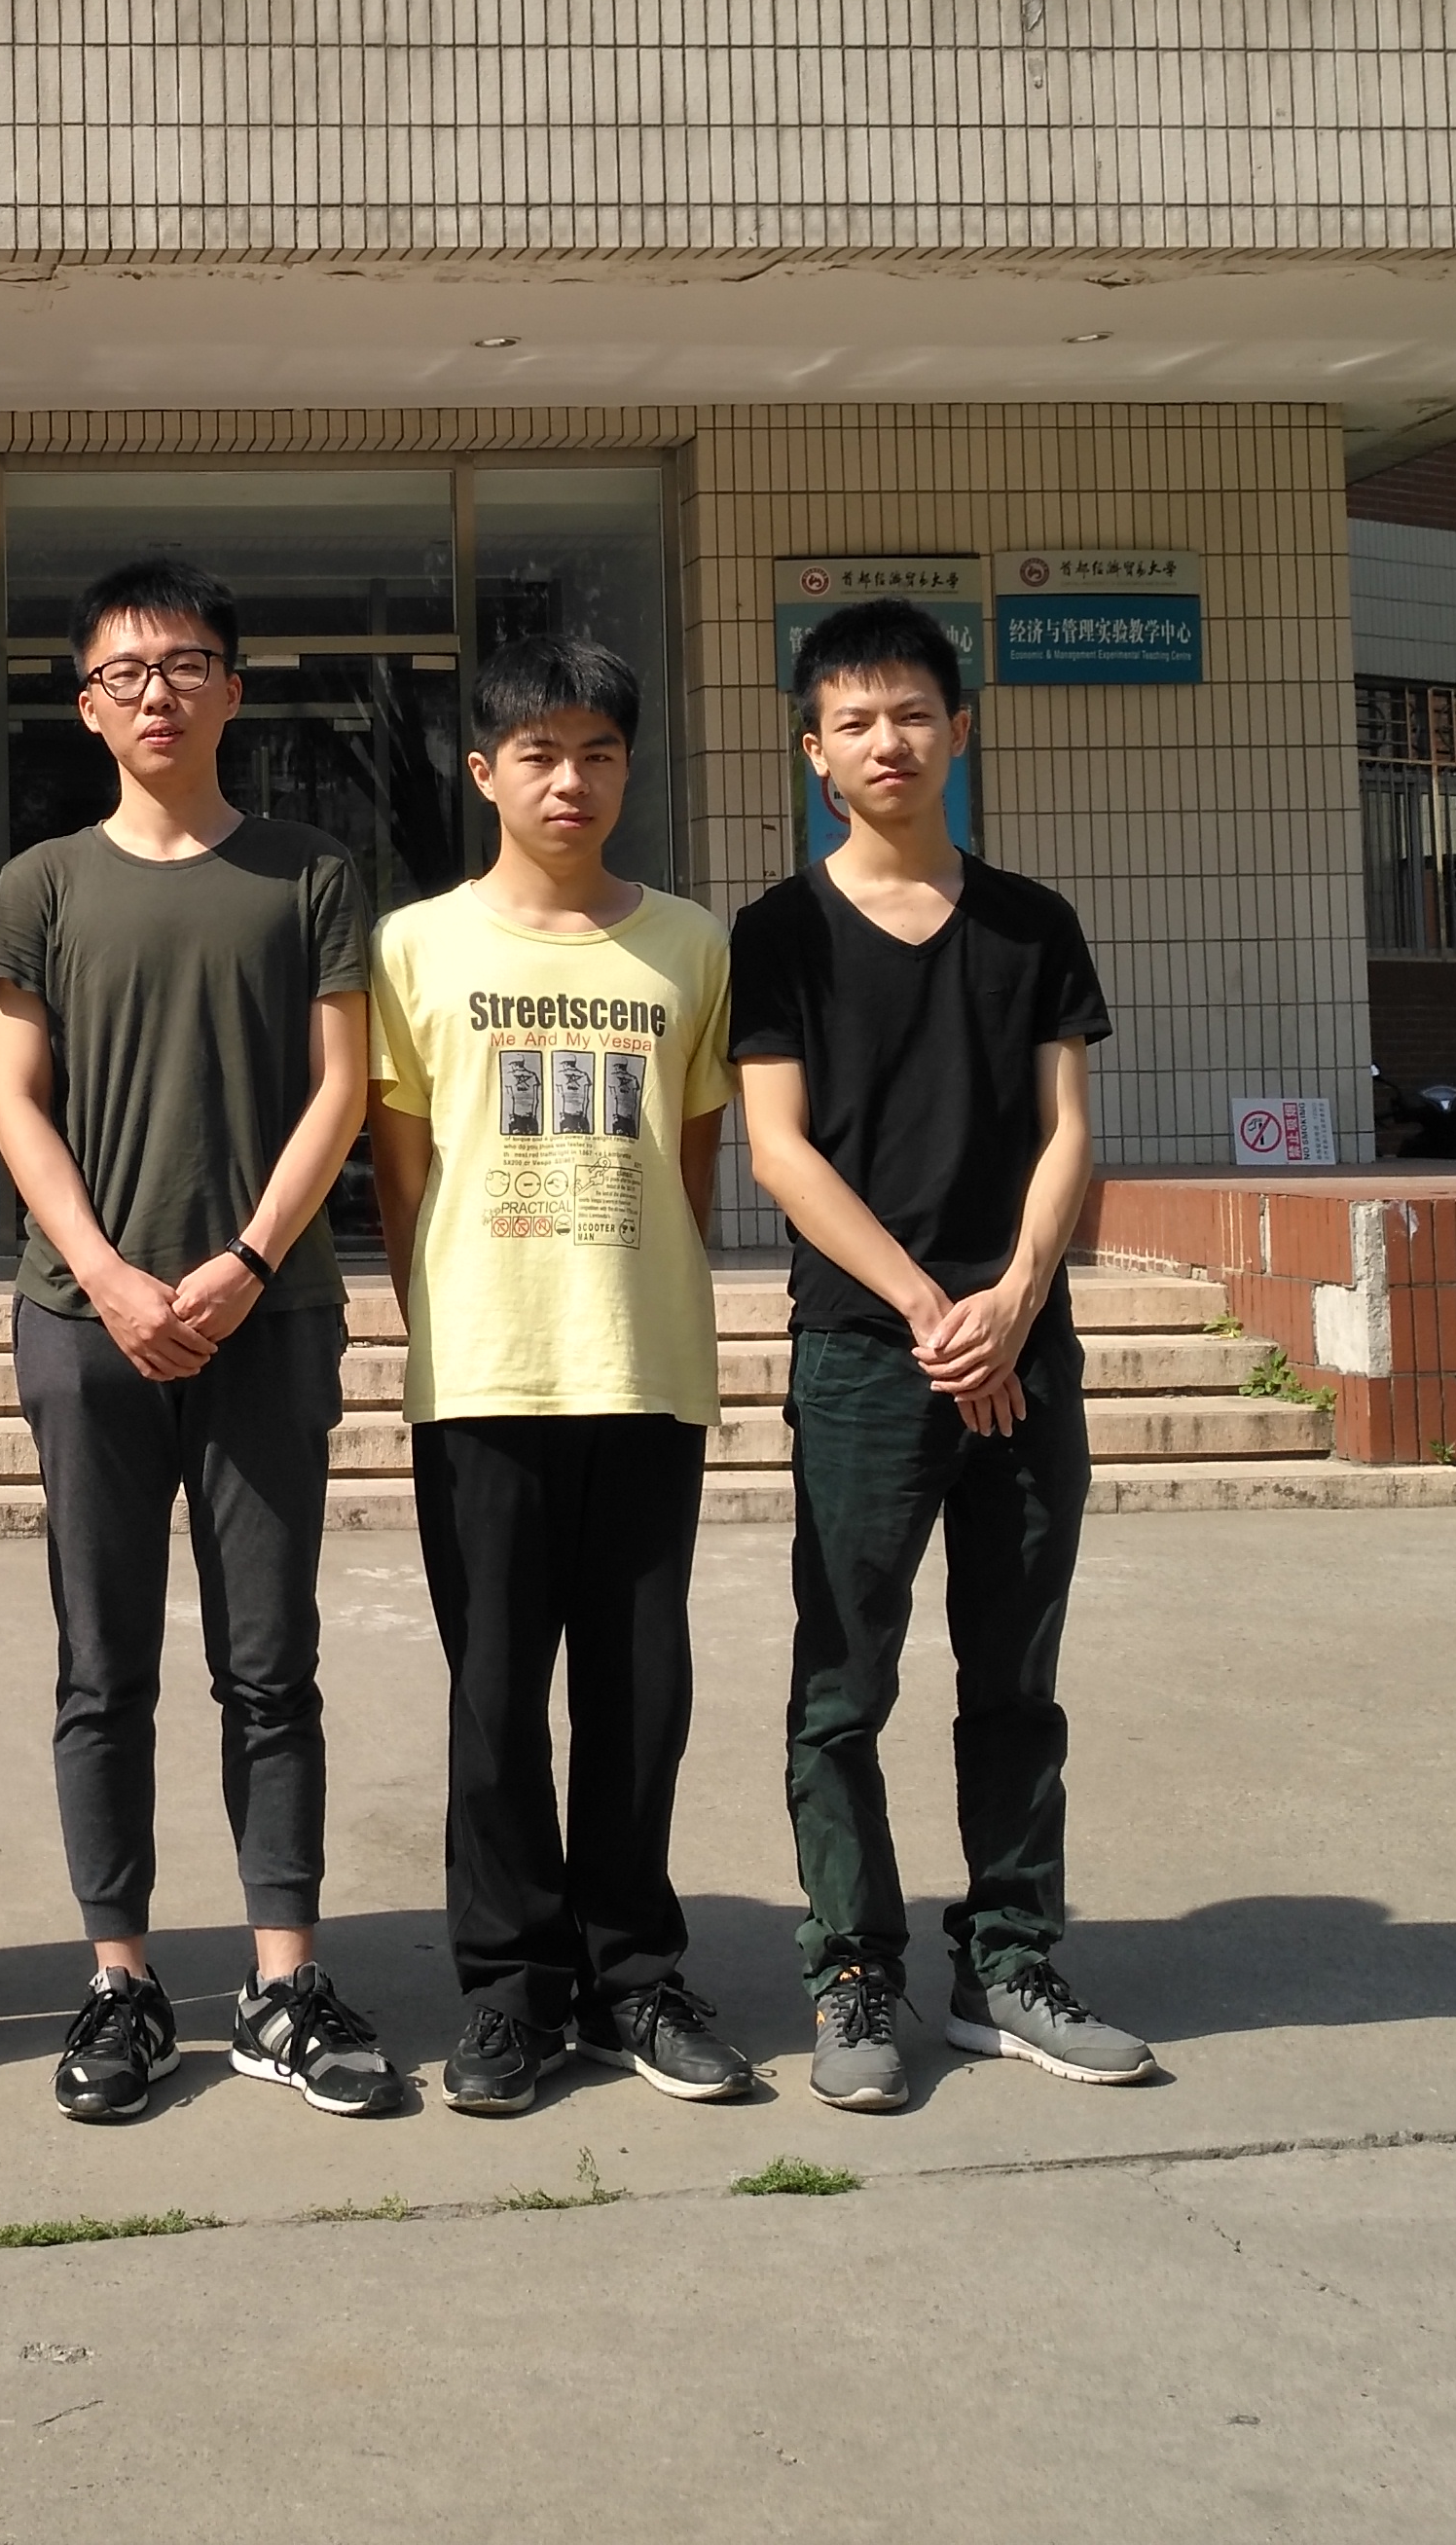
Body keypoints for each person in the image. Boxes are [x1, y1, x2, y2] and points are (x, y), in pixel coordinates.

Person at [0, 553, 405, 2124]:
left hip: (267, 1318)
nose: (154, 693)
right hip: (82, 1326)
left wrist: (240, 1261)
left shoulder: (312, 871)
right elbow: (14, 1100)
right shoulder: (41, 883)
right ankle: (121, 1982)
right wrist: (107, 1275)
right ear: (86, 706)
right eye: (123, 673)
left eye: (182, 665)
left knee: (269, 1665)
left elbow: (340, 1089)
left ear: (232, 685)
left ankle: (284, 1981)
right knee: (102, 1670)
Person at [729, 595, 1155, 2115]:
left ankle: (1010, 1963)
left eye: (912, 713)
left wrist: (1018, 1297)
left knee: (1015, 1675)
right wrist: (931, 1308)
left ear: (959, 730)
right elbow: (779, 1151)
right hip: (866, 1355)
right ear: (814, 753)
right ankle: (852, 1968)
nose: (886, 741)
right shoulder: (778, 933)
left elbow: (1068, 1131)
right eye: (853, 720)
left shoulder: (1031, 923)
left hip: (1023, 1352)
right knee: (842, 1683)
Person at [365, 635, 752, 2119]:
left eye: (597, 751)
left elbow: (692, 1160)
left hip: (644, 1365)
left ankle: (634, 1976)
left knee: (641, 1692)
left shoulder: (691, 947)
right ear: (483, 772)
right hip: (485, 1373)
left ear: (628, 769)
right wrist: (455, 1313)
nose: (568, 779)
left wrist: (636, 1292)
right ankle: (510, 1993)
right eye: (536, 753)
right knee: (496, 1698)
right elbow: (403, 1175)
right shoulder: (416, 948)